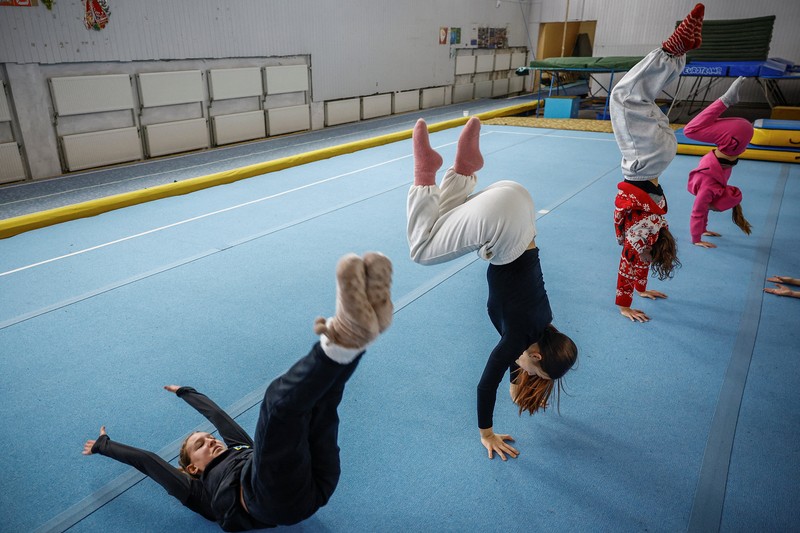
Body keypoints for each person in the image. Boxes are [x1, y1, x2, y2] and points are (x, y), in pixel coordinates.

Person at [82, 252, 394, 531]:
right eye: (201, 445)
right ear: (192, 467)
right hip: (268, 500)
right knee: (277, 403)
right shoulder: (197, 490)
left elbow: (218, 417)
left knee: (321, 402)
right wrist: (103, 445)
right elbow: (149, 462)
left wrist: (186, 392)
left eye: (208, 438)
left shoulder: (239, 449)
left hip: (313, 482)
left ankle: (361, 336)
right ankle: (343, 337)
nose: (212, 440)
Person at [406, 116, 577, 461]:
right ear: (537, 355)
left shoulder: (544, 321)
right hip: (503, 226)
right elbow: (486, 384)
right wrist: (487, 433)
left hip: (516, 200)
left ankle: (464, 169)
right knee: (421, 251)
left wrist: (521, 383)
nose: (528, 373)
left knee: (445, 221)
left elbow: (519, 364)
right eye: (535, 371)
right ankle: (425, 173)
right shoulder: (516, 338)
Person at [609, 4, 705, 322]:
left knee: (641, 99)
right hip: (643, 161)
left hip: (662, 155)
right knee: (622, 97)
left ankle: (678, 56)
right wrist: (625, 303)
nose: (642, 257)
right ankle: (671, 50)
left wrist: (643, 289)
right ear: (651, 246)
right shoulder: (641, 236)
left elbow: (642, 260)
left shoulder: (656, 229)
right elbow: (629, 261)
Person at [682, 76, 754, 248]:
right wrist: (697, 238)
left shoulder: (720, 182)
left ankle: (726, 101)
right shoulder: (710, 187)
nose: (711, 209)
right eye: (714, 208)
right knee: (690, 130)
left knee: (697, 128)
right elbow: (698, 212)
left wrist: (700, 234)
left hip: (742, 134)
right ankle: (725, 100)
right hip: (733, 137)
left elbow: (701, 211)